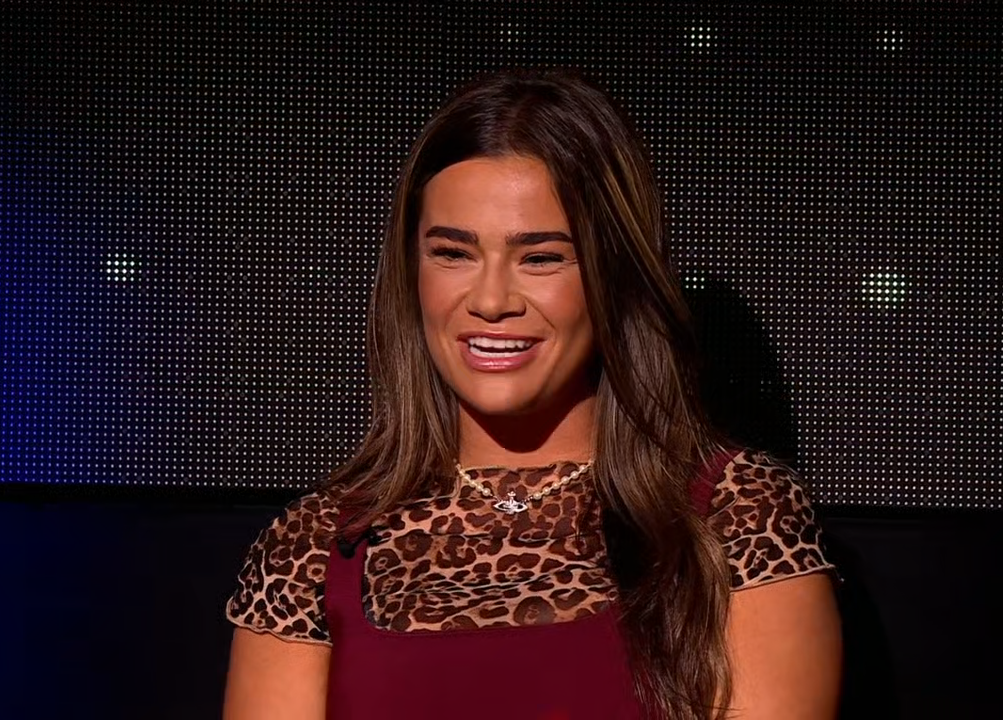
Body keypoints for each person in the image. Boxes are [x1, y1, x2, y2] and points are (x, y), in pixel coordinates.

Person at [222, 66, 841, 720]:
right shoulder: (313, 546)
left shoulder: (736, 511)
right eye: (453, 253)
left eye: (540, 257)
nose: (491, 300)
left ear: (614, 275)